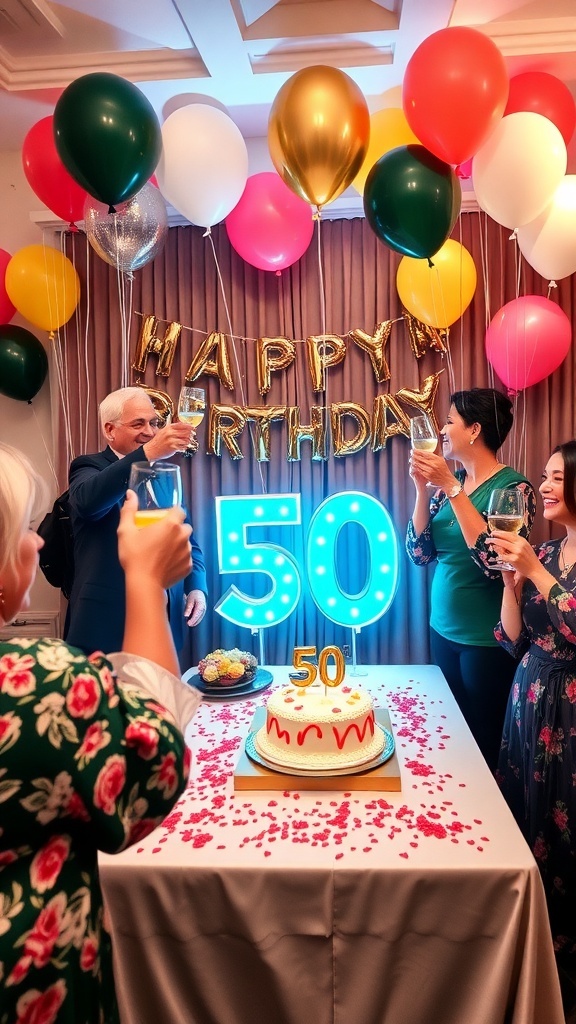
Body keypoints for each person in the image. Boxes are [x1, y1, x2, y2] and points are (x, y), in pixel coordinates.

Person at [0, 442, 201, 1023]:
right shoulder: (39, 683)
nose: (39, 541)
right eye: (19, 528)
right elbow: (152, 768)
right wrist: (144, 579)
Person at [406, 387, 536, 771]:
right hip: (442, 630)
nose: (442, 431)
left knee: (484, 738)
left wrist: (451, 486)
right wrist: (420, 490)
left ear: (475, 429)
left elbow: (493, 560)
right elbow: (419, 553)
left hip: (485, 640)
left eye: (449, 422)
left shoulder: (514, 489)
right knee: (452, 737)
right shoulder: (451, 486)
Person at [490, 440, 576, 1015]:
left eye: (555, 478)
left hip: (569, 712)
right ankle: (531, 932)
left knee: (566, 825)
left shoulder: (542, 557)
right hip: (529, 696)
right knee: (526, 814)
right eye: (544, 476)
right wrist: (511, 585)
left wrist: (535, 570)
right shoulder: (545, 549)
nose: (542, 487)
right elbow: (511, 637)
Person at [65, 386, 207, 657]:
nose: (150, 431)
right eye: (138, 423)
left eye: (154, 422)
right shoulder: (89, 466)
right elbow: (87, 503)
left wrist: (196, 587)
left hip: (165, 623)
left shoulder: (164, 476)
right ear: (110, 430)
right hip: (106, 626)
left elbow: (188, 539)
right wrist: (149, 453)